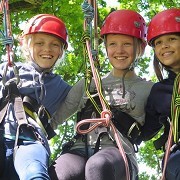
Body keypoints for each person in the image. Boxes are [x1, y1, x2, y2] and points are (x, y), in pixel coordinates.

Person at [49, 9, 154, 180]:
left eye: (127, 44)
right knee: (58, 172)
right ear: (105, 47)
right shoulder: (88, 84)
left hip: (117, 155)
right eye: (112, 44)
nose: (119, 50)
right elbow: (55, 119)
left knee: (97, 166)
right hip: (79, 149)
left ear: (141, 47)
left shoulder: (150, 90)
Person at [0, 14, 71, 180]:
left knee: (35, 172)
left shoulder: (63, 88)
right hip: (2, 133)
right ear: (25, 45)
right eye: (39, 43)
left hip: (31, 141)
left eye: (54, 44)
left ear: (61, 51)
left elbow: (88, 93)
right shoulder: (7, 70)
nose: (47, 49)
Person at [138, 8, 180, 180]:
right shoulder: (159, 91)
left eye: (172, 39)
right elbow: (146, 132)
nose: (164, 46)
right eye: (158, 42)